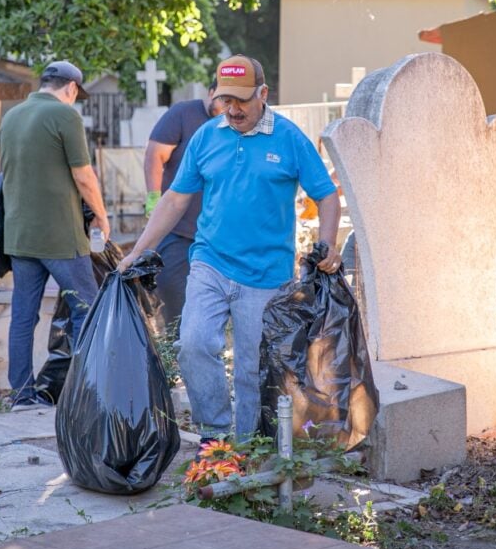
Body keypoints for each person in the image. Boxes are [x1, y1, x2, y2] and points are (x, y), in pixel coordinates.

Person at [118, 54, 342, 443]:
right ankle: (215, 436)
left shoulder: (289, 138)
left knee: (251, 368)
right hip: (210, 262)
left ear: (263, 93)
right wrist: (138, 251)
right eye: (226, 100)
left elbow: (326, 196)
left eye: (242, 100)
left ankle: (246, 445)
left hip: (266, 274)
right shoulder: (207, 137)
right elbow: (174, 200)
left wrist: (329, 244)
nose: (233, 109)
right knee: (193, 343)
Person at [0, 60, 110, 412]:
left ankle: (21, 397)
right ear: (71, 88)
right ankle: (85, 395)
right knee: (88, 310)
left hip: (19, 235)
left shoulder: (11, 117)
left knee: (23, 317)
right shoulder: (66, 116)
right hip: (60, 235)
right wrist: (102, 218)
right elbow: (84, 176)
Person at [143, 82, 225, 334]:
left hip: (215, 235)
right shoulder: (182, 114)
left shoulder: (235, 122)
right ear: (210, 93)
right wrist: (154, 197)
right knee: (173, 295)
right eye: (222, 99)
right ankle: (175, 355)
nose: (226, 108)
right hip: (178, 228)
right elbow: (155, 155)